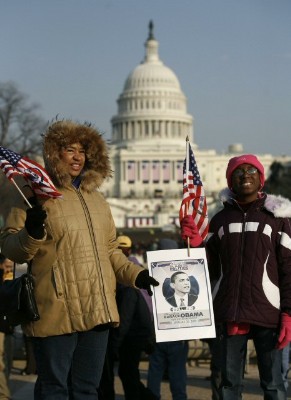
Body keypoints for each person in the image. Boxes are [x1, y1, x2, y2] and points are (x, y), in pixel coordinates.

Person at [0, 119, 158, 400]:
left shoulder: (97, 199)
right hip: (56, 306)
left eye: (82, 151)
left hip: (97, 306)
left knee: (88, 389)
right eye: (69, 149)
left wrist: (136, 275)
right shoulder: (32, 194)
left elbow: (110, 250)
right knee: (54, 389)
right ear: (54, 153)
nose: (77, 157)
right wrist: (32, 231)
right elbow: (12, 248)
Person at [180, 154, 291, 399]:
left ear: (261, 179)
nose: (246, 175)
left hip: (268, 314)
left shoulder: (279, 220)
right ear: (231, 182)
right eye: (239, 172)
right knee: (228, 385)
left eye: (252, 170)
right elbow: (206, 269)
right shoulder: (219, 220)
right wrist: (196, 245)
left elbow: (289, 269)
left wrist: (288, 313)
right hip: (230, 312)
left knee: (274, 384)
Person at [99, 235, 157, 400]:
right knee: (129, 373)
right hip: (139, 332)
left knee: (128, 374)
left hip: (131, 336)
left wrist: (115, 345)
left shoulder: (126, 280)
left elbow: (125, 317)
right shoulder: (136, 270)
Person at [147, 238, 189, 400]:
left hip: (159, 332)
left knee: (155, 372)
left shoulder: (152, 273)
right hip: (178, 334)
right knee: (177, 374)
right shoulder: (185, 274)